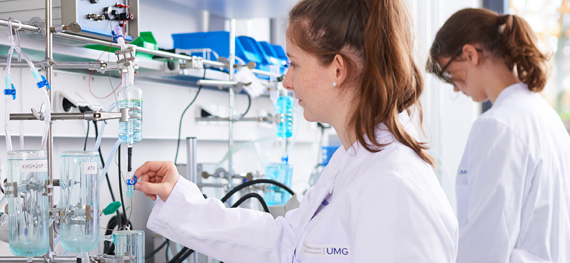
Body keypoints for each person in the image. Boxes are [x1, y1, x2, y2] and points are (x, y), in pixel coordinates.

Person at [134, 0, 458, 262]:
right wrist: (181, 199)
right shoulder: (352, 161)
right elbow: (284, 241)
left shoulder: (395, 187)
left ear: (338, 69)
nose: (287, 82)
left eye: (294, 64)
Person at [426, 8, 570, 263]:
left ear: (470, 54)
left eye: (450, 75)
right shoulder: (546, 117)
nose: (456, 88)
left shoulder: (498, 126)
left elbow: (486, 246)